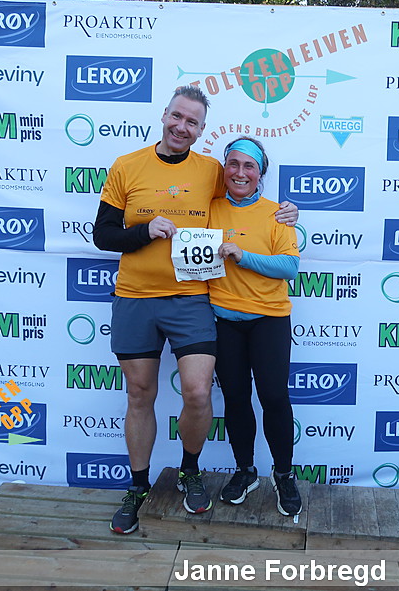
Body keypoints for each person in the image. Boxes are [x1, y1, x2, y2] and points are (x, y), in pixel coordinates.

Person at [93, 86, 297, 533]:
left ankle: (190, 470)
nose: (182, 127)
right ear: (164, 115)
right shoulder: (126, 165)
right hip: (135, 297)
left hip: (191, 300)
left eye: (192, 122)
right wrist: (143, 230)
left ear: (202, 130)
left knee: (200, 393)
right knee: (139, 394)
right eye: (177, 117)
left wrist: (288, 211)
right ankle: (138, 486)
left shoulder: (211, 171)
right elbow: (103, 235)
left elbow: (247, 195)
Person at [210, 136, 302, 516]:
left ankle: (283, 474)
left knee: (274, 398)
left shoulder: (277, 214)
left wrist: (242, 255)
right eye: (233, 164)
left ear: (260, 173)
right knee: (235, 399)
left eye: (249, 166)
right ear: (224, 169)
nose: (240, 172)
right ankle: (245, 471)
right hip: (223, 320)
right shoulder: (209, 208)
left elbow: (290, 267)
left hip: (269, 319)